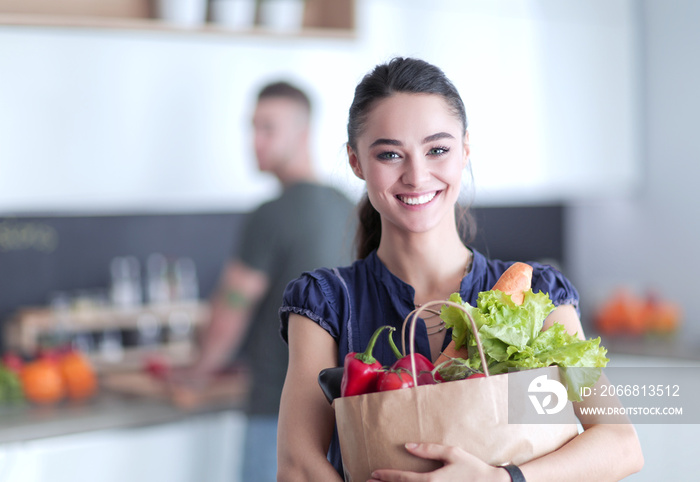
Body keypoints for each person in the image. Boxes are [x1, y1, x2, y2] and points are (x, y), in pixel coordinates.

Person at [276, 58, 644, 481]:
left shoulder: (537, 294)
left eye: (437, 149)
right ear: (356, 162)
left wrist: (502, 479)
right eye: (390, 154)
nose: (416, 176)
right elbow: (298, 467)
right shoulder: (325, 303)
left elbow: (620, 443)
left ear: (465, 150)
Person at [180, 81, 355, 482]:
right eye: (253, 128)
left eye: (268, 128)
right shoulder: (348, 208)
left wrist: (198, 370)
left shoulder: (271, 214)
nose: (254, 141)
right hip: (341, 416)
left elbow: (231, 309)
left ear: (303, 133)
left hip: (277, 412)